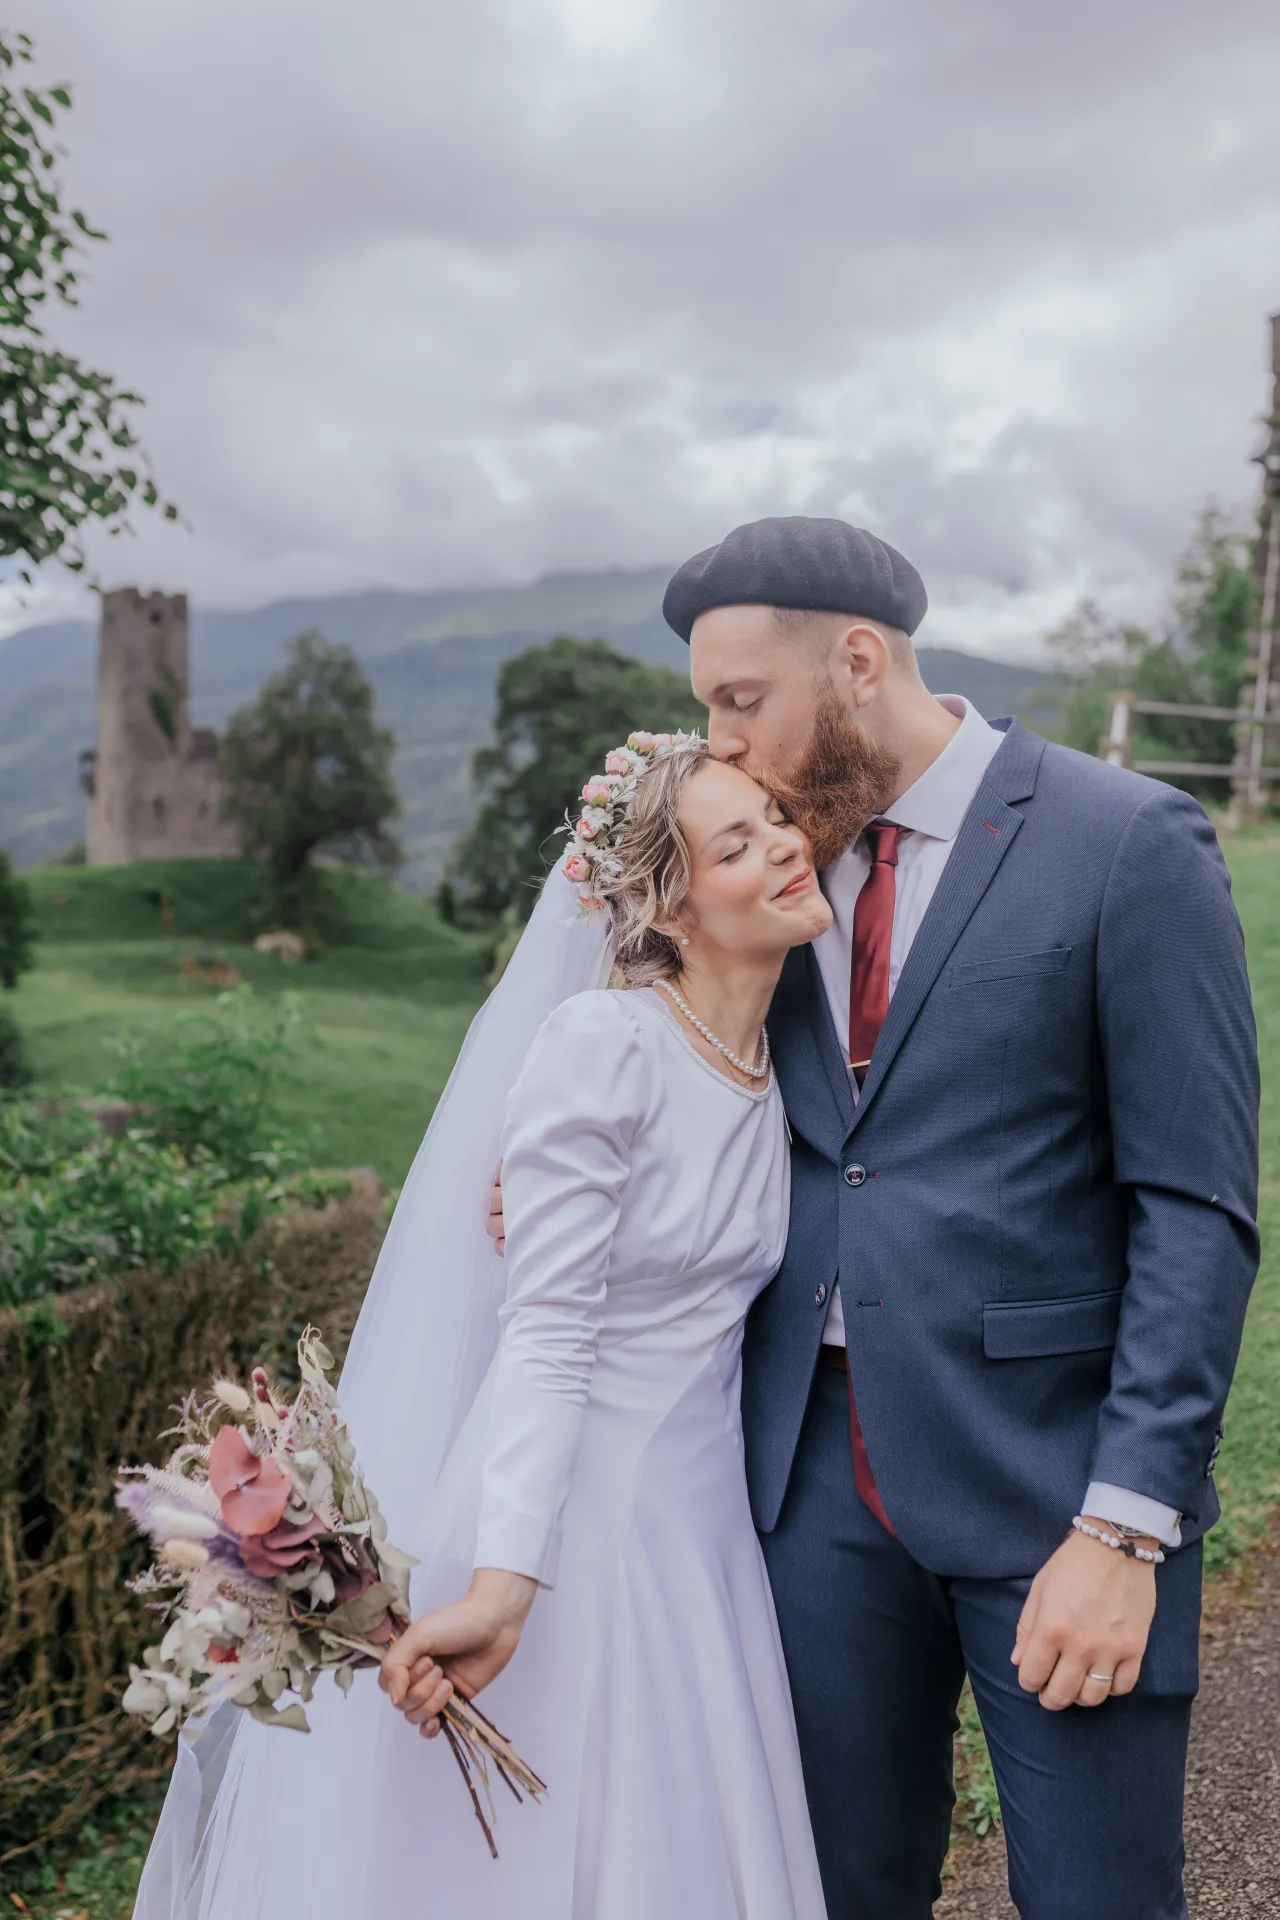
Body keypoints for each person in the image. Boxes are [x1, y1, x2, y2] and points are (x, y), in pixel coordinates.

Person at [657, 516, 1260, 1919]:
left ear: (857, 662)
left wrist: (1125, 1531)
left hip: (1055, 1485)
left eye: (741, 702)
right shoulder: (766, 877)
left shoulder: (1128, 846)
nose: (720, 744)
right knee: (831, 1895)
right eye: (707, 711)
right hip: (804, 1491)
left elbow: (1197, 1211)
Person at [134, 731, 833, 1919]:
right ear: (664, 908)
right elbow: (547, 1336)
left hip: (703, 1538)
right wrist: (509, 1585)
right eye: (736, 842)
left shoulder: (778, 1061)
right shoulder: (602, 1049)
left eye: (774, 817)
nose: (783, 844)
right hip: (574, 1537)